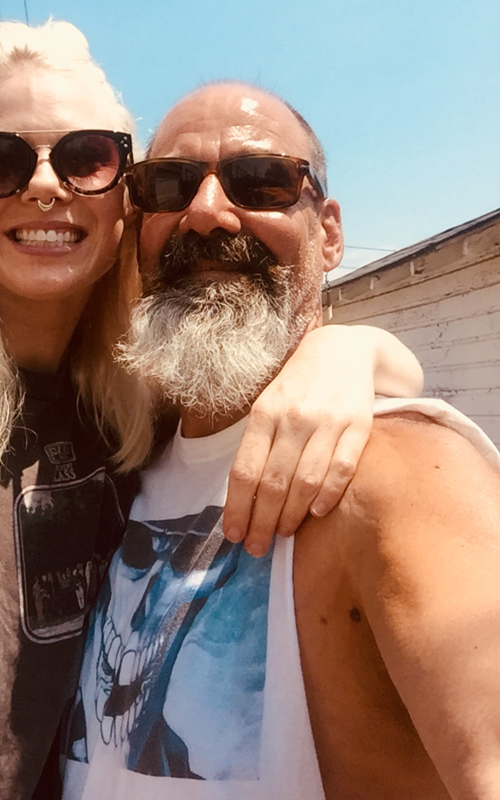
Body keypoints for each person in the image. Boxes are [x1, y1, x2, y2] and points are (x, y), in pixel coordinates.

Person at [0, 21, 422, 800]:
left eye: (85, 157)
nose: (43, 185)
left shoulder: (141, 406)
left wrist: (347, 352)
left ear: (127, 195)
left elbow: (394, 374)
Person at [58, 82, 500, 800]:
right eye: (168, 186)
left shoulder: (404, 468)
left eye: (261, 180)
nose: (205, 212)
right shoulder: (121, 463)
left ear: (329, 233)